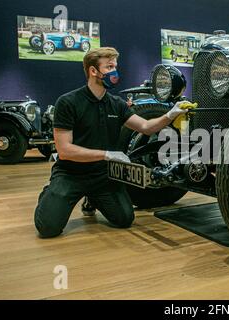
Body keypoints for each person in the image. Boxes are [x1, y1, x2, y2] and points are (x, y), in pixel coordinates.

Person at [34, 47, 189, 238]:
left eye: (115, 66)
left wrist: (170, 114)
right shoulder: (68, 102)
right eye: (109, 67)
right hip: (71, 174)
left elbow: (147, 127)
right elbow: (65, 150)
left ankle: (93, 198)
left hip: (102, 176)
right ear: (93, 71)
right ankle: (50, 194)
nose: (114, 72)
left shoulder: (117, 104)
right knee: (48, 228)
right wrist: (106, 154)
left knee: (124, 219)